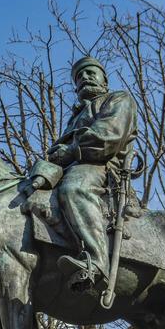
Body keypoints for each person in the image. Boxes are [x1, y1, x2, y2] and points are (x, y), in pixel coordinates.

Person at [47, 56, 137, 293]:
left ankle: (95, 262)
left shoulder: (119, 99)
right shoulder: (74, 118)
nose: (84, 78)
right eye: (79, 76)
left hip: (105, 168)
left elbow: (109, 135)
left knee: (74, 189)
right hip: (71, 166)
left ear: (104, 80)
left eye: (90, 73)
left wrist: (72, 150)